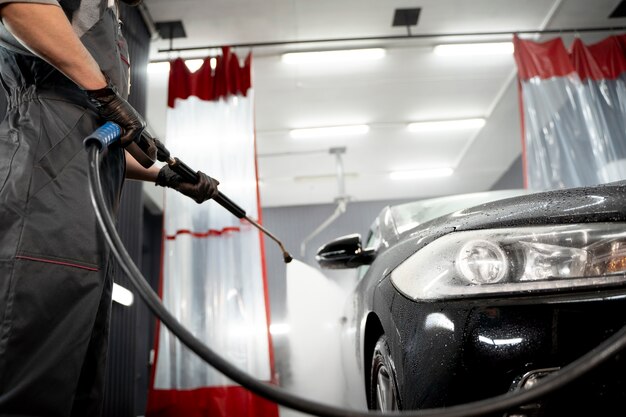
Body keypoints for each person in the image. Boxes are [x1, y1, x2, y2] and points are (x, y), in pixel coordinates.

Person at [0, 1, 219, 416]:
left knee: (78, 386)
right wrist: (102, 91)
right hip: (37, 200)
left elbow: (95, 138)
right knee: (29, 381)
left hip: (87, 225)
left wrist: (164, 175)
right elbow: (19, 6)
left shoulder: (108, 19)